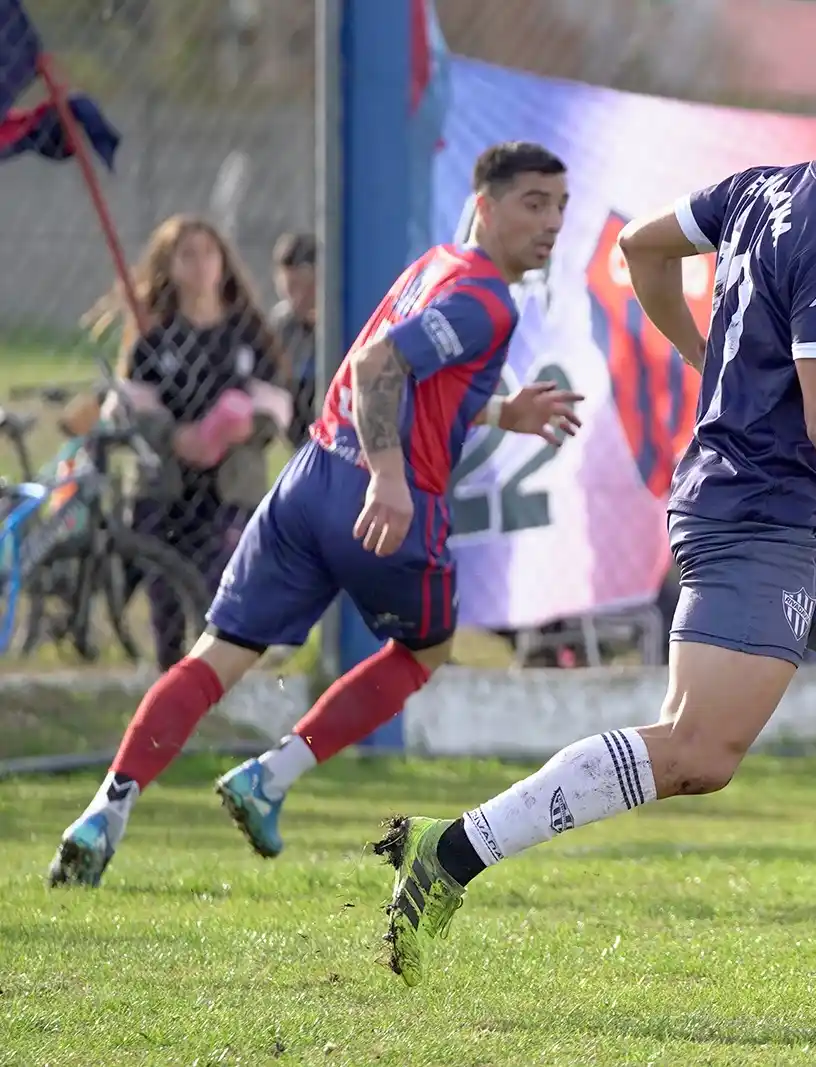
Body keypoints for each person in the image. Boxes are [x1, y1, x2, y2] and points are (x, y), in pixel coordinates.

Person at [371, 39, 816, 992]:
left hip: (784, 519)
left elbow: (639, 247)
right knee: (695, 750)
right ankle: (450, 852)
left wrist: (707, 361)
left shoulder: (762, 190)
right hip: (752, 518)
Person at [46, 142, 583, 889]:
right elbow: (376, 369)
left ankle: (105, 809)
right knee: (424, 650)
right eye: (533, 203)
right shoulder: (485, 298)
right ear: (486, 207)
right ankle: (270, 776)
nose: (552, 221)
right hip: (386, 503)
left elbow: (414, 381)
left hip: (308, 480)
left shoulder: (437, 264)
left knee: (217, 655)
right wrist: (390, 479)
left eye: (560, 205)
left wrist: (498, 409)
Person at [86, 215, 292, 670]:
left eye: (208, 253)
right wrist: (174, 436)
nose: (199, 265)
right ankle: (167, 680)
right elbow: (131, 406)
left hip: (229, 485)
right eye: (187, 255)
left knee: (223, 583)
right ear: (169, 266)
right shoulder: (153, 339)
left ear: (223, 263)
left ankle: (214, 683)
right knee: (167, 592)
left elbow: (277, 403)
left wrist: (246, 427)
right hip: (167, 484)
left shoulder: (247, 335)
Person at [271, 232, 319, 446]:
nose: (298, 298)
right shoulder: (282, 324)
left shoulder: (340, 319)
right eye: (290, 288)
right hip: (296, 421)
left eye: (305, 287)